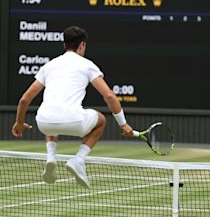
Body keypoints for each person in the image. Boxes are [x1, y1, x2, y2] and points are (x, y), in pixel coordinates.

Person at [11, 26, 134, 189]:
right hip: (75, 122)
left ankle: (51, 157)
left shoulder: (49, 66)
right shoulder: (87, 65)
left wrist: (19, 123)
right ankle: (78, 160)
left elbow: (24, 100)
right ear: (82, 45)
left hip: (44, 123)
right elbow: (109, 96)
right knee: (101, 121)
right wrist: (123, 124)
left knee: (50, 112)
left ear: (65, 44)